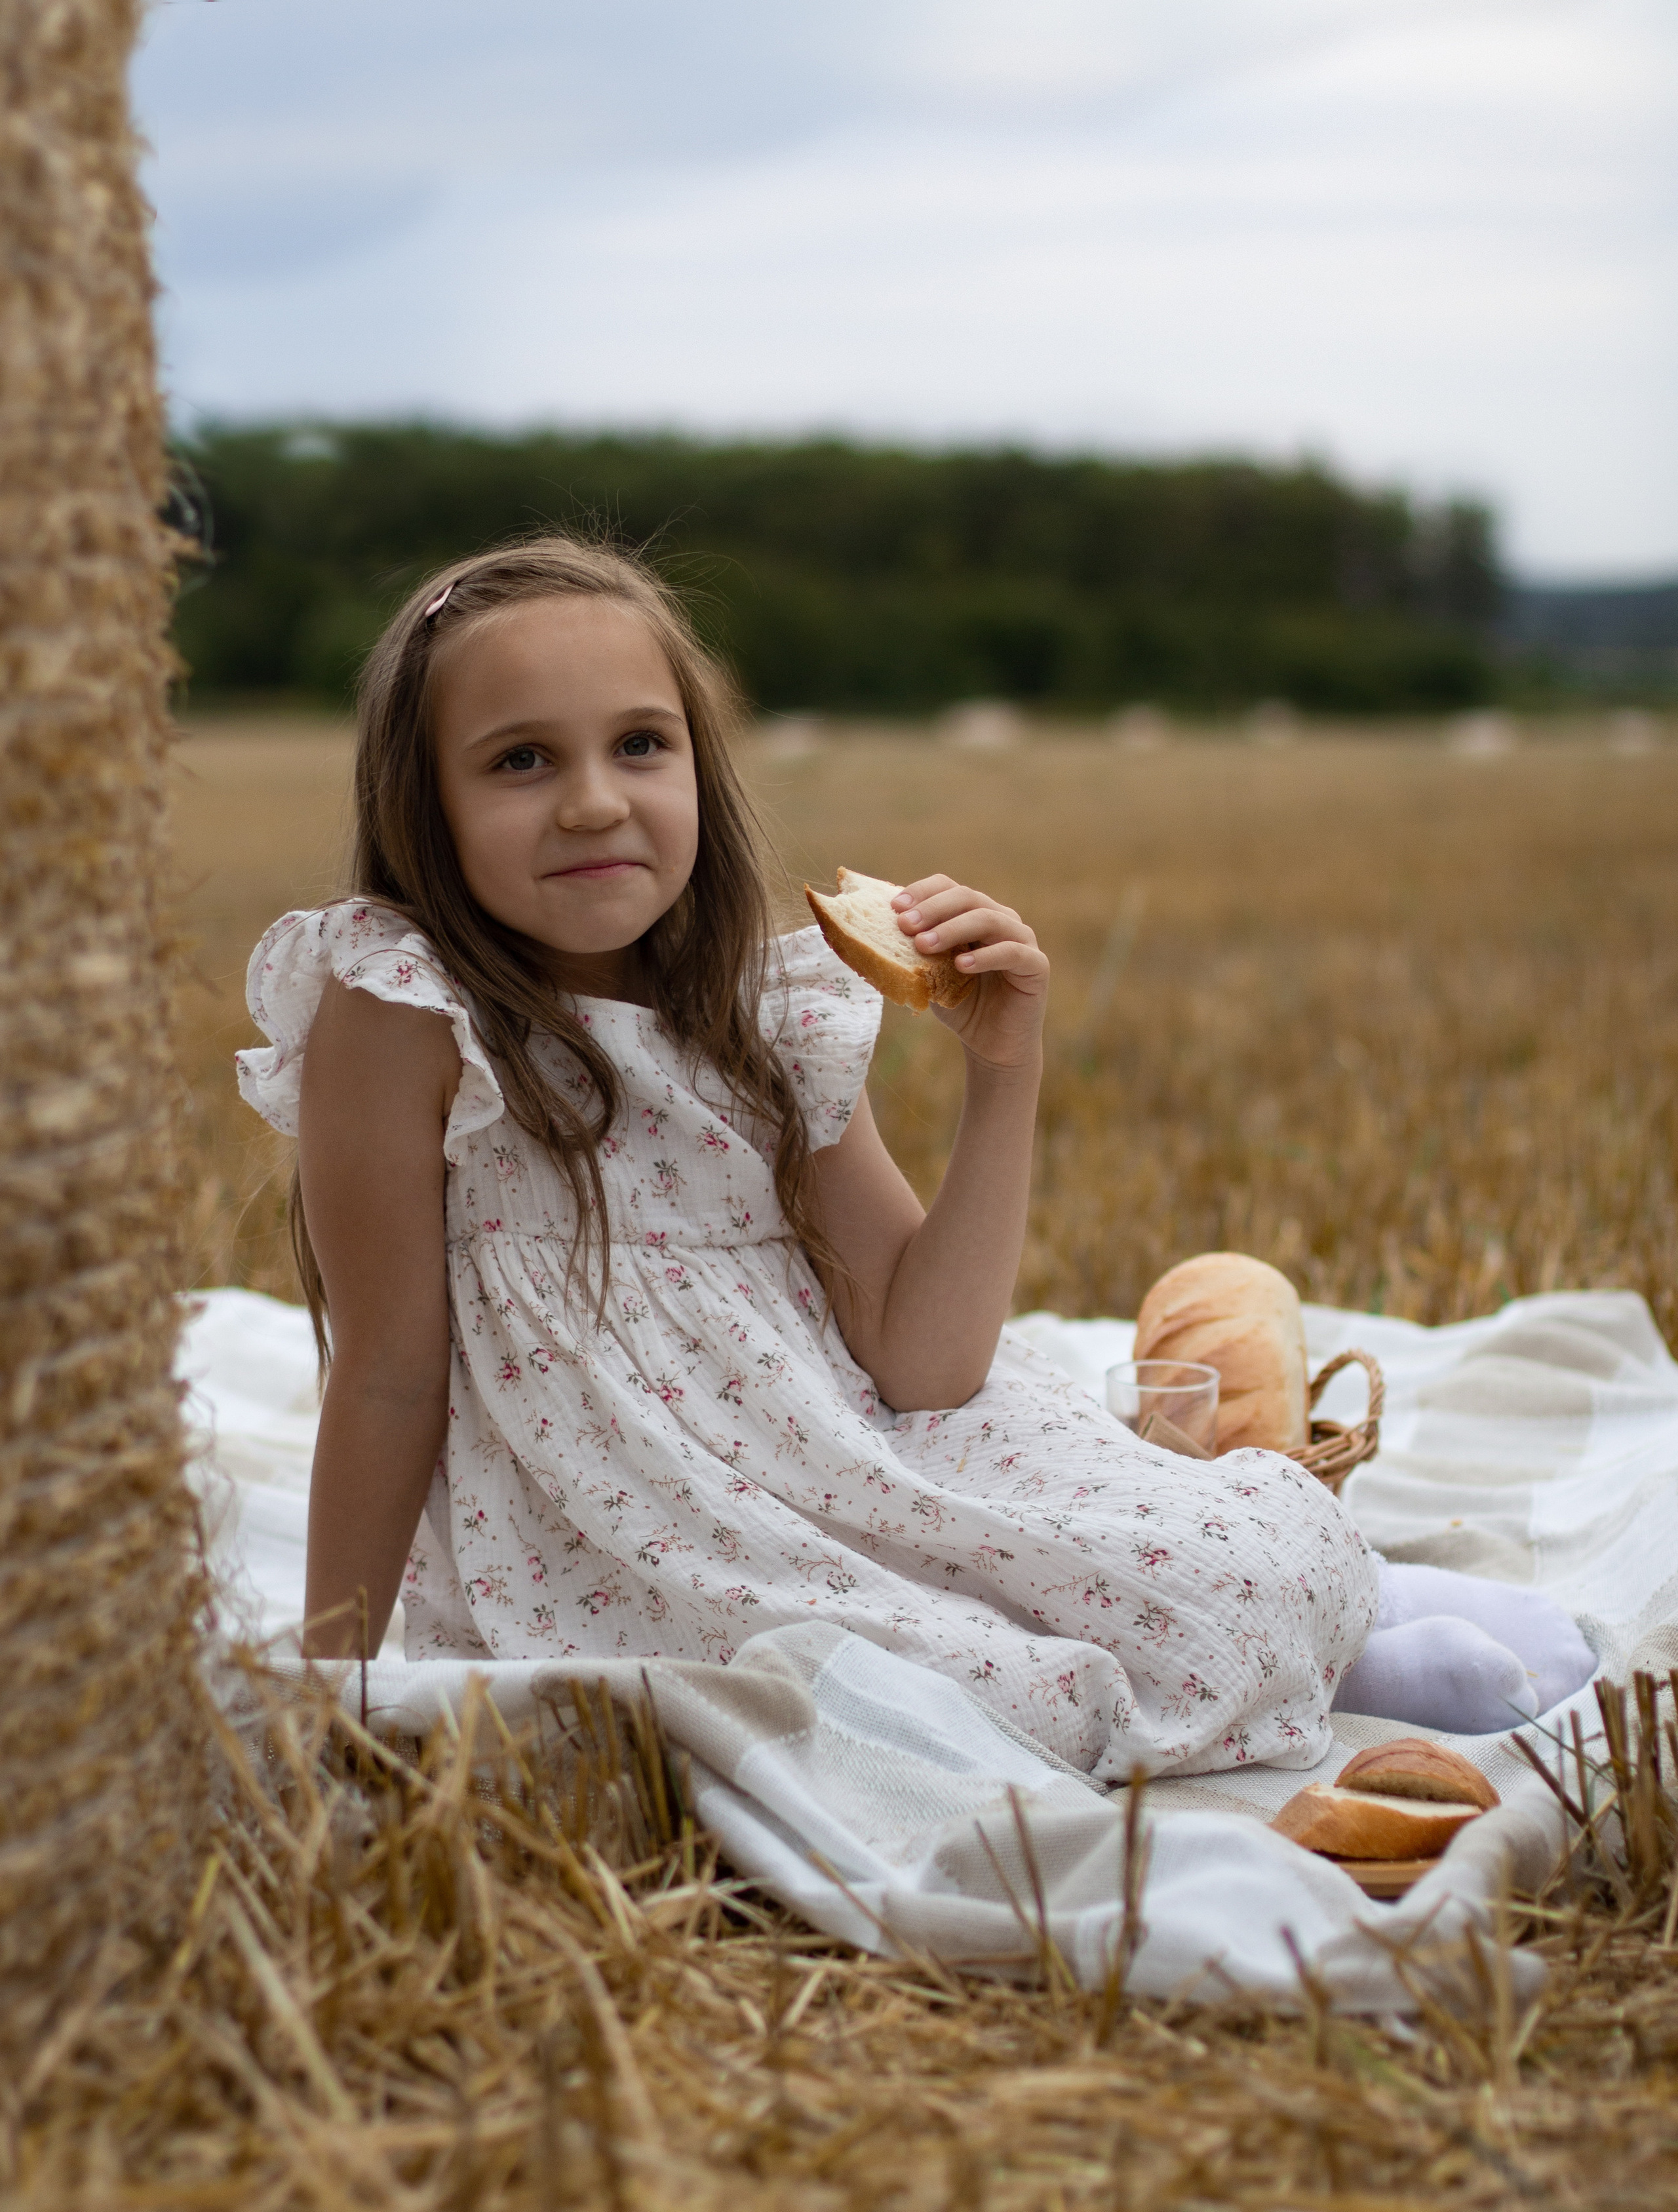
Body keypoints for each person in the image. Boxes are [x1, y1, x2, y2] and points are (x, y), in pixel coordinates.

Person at [238, 536, 1586, 1782]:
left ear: (697, 769)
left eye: (639, 745)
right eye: (520, 760)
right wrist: (333, 1686)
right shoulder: (403, 1009)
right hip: (642, 1533)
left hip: (851, 1451)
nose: (594, 802)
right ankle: (1322, 1649)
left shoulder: (759, 1014)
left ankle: (1347, 1609)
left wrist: (1005, 1072)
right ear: (427, 804)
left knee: (1184, 1544)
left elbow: (923, 1364)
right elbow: (391, 1378)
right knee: (896, 1703)